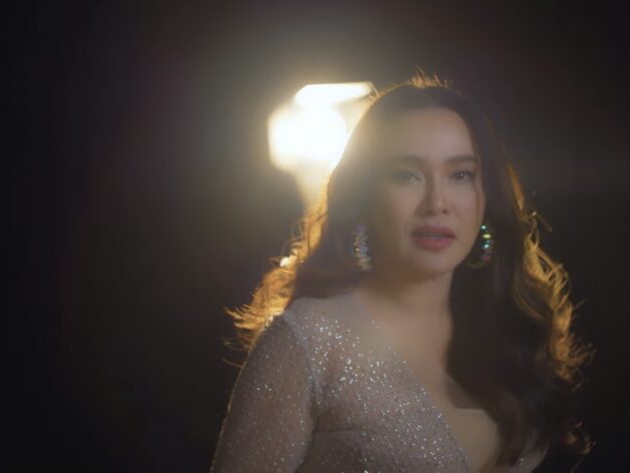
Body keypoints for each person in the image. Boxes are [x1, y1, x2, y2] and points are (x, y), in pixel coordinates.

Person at [210, 73, 592, 472]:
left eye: (460, 174)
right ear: (364, 196)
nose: (437, 203)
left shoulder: (510, 334)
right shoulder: (309, 340)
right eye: (406, 175)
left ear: (486, 198)